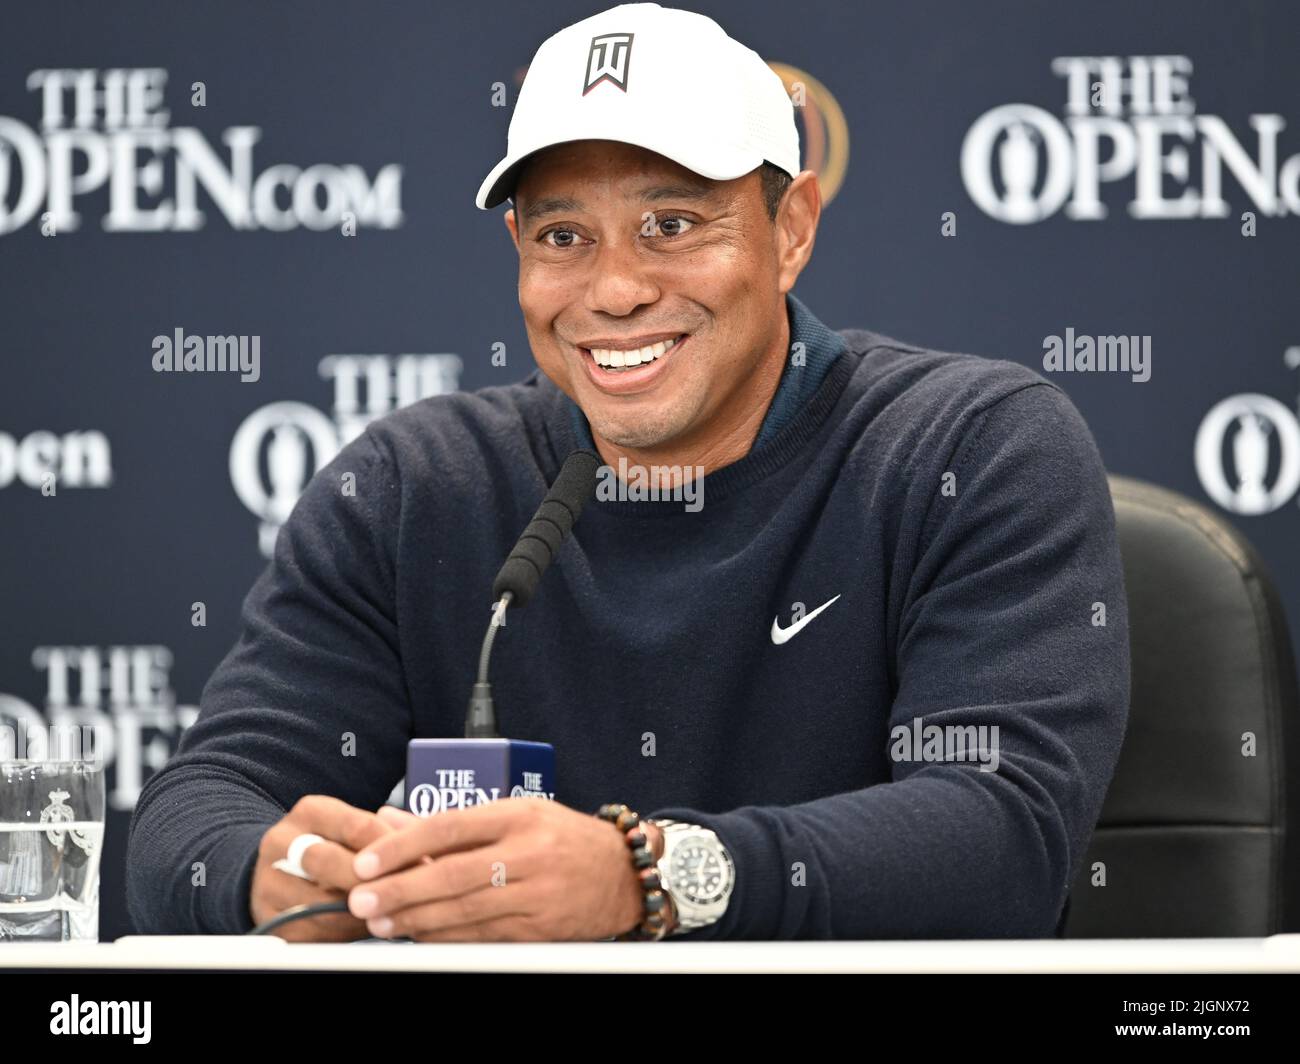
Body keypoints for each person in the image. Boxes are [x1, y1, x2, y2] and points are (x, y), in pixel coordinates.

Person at [127, 2, 1129, 942]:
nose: (612, 289)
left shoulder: (970, 448)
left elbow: (1005, 835)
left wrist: (647, 876)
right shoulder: (412, 488)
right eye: (564, 237)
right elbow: (194, 809)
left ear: (790, 232)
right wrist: (275, 867)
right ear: (517, 248)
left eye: (673, 224)